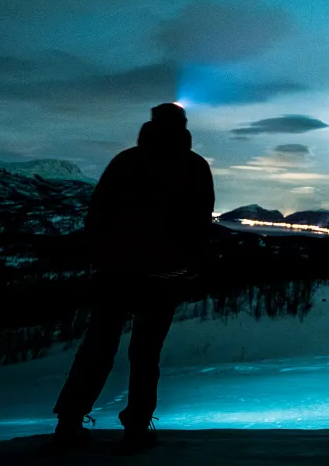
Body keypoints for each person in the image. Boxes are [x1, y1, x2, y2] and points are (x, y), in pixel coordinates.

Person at [50, 102, 215, 454]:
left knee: (98, 346)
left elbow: (96, 215)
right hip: (163, 274)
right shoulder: (194, 166)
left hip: (116, 272)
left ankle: (70, 420)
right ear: (184, 127)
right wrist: (191, 268)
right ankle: (137, 426)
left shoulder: (126, 161)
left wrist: (100, 258)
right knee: (146, 353)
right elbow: (200, 224)